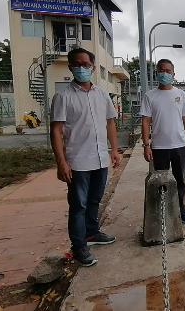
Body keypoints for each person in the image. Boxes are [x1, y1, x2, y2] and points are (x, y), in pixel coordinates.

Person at [50, 48, 122, 267]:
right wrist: (61, 162)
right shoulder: (63, 96)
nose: (82, 68)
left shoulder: (101, 94)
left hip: (100, 157)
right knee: (78, 205)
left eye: (86, 64)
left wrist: (115, 150)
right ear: (71, 67)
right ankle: (79, 245)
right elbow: (56, 130)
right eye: (77, 64)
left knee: (94, 199)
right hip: (78, 160)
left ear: (92, 67)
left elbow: (110, 122)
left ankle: (92, 233)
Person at [140, 59, 185, 224]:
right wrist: (146, 145)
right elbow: (145, 121)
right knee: (161, 181)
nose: (164, 74)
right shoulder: (150, 96)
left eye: (168, 71)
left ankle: (180, 209)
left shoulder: (180, 94)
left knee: (180, 180)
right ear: (157, 73)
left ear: (173, 74)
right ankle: (163, 211)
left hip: (179, 145)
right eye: (161, 70)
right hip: (159, 147)